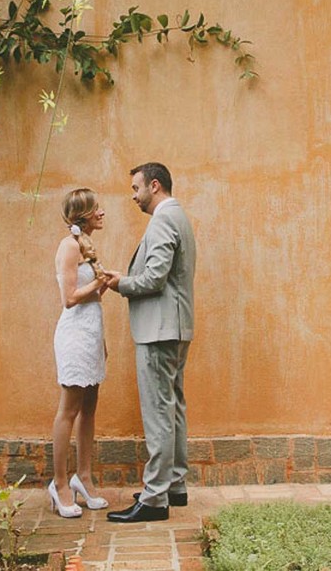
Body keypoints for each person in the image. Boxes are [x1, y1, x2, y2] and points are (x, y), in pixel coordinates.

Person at [104, 163, 196, 524]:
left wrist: (120, 283)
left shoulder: (162, 219)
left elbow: (155, 279)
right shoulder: (180, 216)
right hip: (176, 327)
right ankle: (174, 485)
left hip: (159, 330)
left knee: (159, 412)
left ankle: (155, 499)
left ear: (154, 186)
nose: (133, 195)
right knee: (173, 408)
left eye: (136, 188)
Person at [48, 188, 113, 518]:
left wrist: (101, 341)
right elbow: (70, 298)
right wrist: (101, 282)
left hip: (90, 336)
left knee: (89, 410)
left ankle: (83, 477)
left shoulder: (85, 245)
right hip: (74, 336)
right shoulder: (69, 246)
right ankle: (59, 484)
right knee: (68, 410)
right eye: (96, 208)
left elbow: (93, 303)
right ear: (83, 215)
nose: (102, 212)